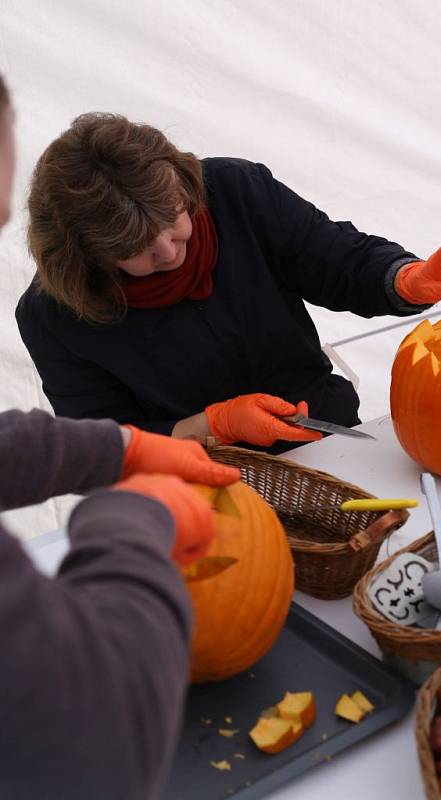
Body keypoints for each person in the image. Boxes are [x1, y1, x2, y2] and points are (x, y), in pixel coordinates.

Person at [0, 77, 242, 799]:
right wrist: (134, 512)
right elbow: (98, 735)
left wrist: (117, 450)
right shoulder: (55, 318)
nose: (175, 244)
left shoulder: (235, 196)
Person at [17, 116, 441, 454]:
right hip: (193, 485)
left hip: (321, 433)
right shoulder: (52, 315)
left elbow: (336, 258)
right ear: (84, 253)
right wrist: (214, 425)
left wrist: (404, 278)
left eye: (173, 220)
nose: (168, 251)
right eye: (135, 248)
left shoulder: (235, 191)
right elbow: (101, 448)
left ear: (183, 184)